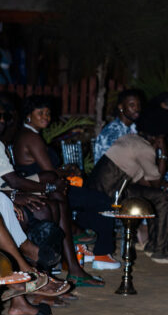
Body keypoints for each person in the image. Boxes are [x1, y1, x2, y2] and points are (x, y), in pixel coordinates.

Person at [13, 96, 116, 281]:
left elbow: (49, 170)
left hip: (48, 186)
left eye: (48, 113)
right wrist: (67, 171)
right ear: (28, 115)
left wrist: (66, 170)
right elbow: (48, 172)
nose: (45, 117)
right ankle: (100, 252)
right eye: (40, 113)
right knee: (102, 200)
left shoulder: (30, 134)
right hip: (42, 189)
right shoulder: (31, 137)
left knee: (90, 197)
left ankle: (82, 241)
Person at [87, 107, 168, 264]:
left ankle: (154, 245)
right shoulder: (144, 148)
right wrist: (164, 153)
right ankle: (161, 251)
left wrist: (164, 183)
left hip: (106, 188)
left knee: (157, 195)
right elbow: (155, 184)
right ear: (160, 135)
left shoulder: (131, 139)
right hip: (110, 194)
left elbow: (142, 178)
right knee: (161, 197)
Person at [93, 89, 141, 164]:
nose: (137, 109)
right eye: (132, 105)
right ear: (121, 107)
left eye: (138, 105)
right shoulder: (112, 133)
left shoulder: (131, 128)